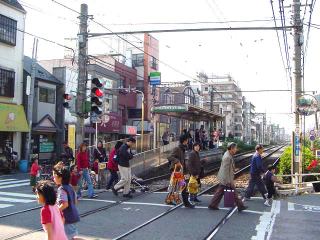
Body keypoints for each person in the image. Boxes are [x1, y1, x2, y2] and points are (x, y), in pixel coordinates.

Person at [208, 142, 247, 212]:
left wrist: (233, 170)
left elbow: (227, 168)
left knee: (220, 192)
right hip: (226, 178)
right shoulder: (227, 157)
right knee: (233, 193)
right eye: (235, 148)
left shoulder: (228, 154)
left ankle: (212, 205)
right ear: (231, 148)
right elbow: (225, 170)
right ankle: (240, 206)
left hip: (225, 178)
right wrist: (228, 181)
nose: (236, 150)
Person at [53, 165, 81, 240]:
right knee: (71, 237)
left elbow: (65, 204)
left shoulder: (62, 189)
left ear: (60, 178)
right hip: (73, 215)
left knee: (66, 237)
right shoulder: (70, 186)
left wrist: (56, 211)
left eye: (54, 176)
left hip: (67, 218)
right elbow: (75, 201)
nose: (53, 178)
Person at [167, 134, 194, 208]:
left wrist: (187, 171)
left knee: (177, 186)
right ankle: (186, 203)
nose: (188, 141)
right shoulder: (177, 148)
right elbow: (169, 156)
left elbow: (184, 161)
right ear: (185, 141)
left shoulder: (183, 149)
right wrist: (177, 161)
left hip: (182, 171)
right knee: (183, 186)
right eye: (187, 140)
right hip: (177, 171)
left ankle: (170, 200)